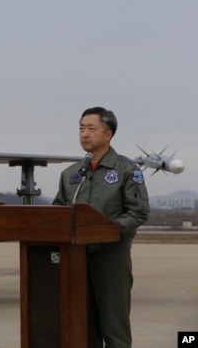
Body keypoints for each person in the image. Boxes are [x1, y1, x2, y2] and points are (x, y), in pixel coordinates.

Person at [53, 106, 149, 348]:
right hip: (75, 259)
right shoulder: (72, 174)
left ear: (108, 134)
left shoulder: (127, 170)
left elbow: (138, 212)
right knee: (82, 330)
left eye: (91, 129)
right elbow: (57, 212)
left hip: (111, 260)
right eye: (81, 128)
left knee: (114, 332)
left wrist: (107, 230)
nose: (84, 134)